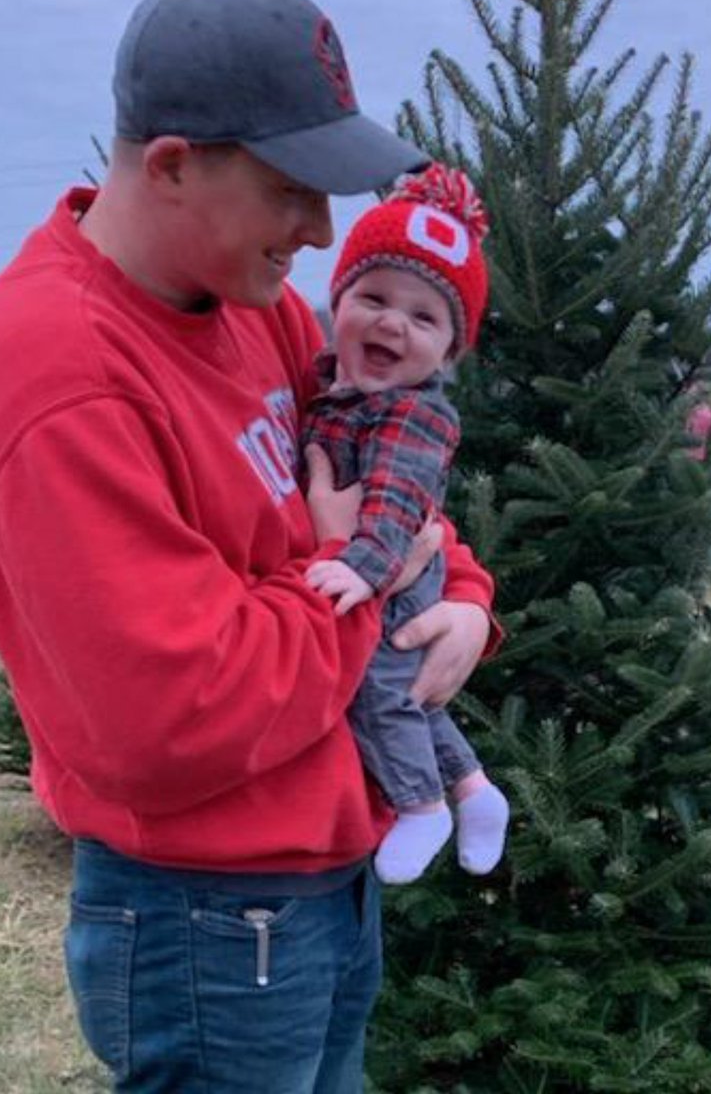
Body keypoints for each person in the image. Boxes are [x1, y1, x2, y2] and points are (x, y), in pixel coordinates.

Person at [0, 0, 500, 1093]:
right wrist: (349, 581)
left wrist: (463, 599)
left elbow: (390, 462)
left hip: (322, 875)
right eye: (295, 187)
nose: (319, 229)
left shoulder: (261, 310)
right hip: (211, 916)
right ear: (172, 164)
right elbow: (167, 714)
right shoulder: (63, 375)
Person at [303, 164, 509, 884]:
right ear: (339, 299)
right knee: (410, 694)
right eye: (373, 297)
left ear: (449, 352)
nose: (391, 322)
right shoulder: (341, 387)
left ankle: (421, 805)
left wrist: (356, 563)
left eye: (423, 318)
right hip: (386, 573)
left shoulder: (411, 413)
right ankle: (474, 790)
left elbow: (393, 502)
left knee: (376, 689)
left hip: (389, 575)